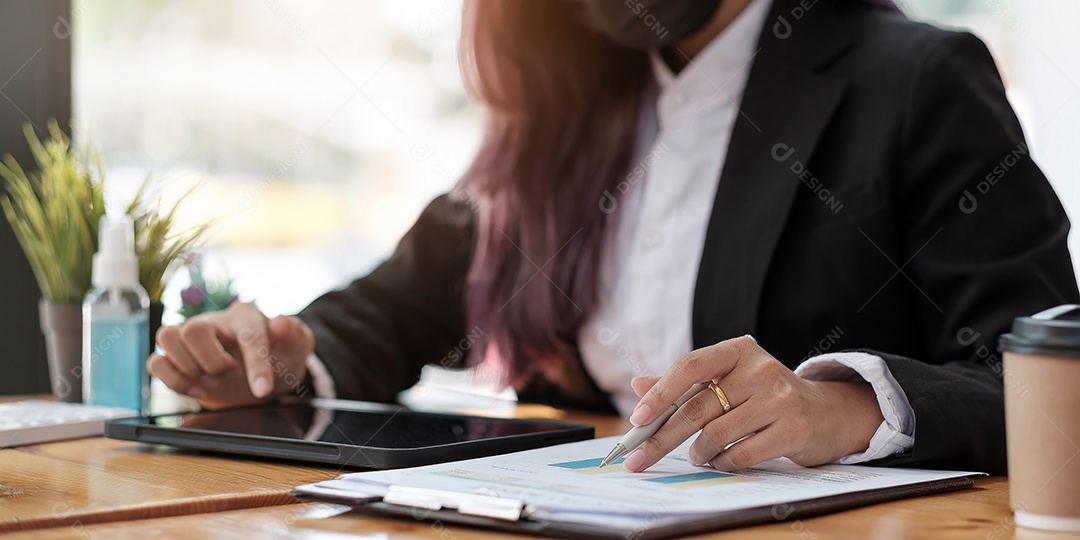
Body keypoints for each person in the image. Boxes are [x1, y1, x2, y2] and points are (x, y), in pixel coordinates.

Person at [148, 0, 1078, 476]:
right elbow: (393, 310)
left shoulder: (915, 81)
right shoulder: (572, 104)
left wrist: (841, 409)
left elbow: (1049, 380)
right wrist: (276, 365)